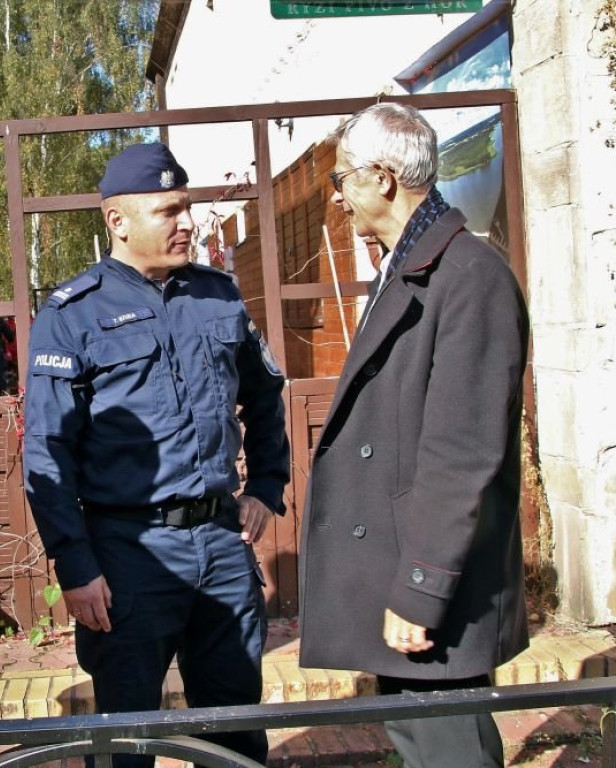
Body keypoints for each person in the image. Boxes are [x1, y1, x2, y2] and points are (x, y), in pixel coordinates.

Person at [23, 143, 290, 768]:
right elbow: (47, 449)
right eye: (168, 211)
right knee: (127, 736)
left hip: (222, 545)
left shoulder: (217, 296)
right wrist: (75, 566)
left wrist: (267, 484)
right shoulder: (72, 315)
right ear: (118, 221)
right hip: (128, 555)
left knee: (234, 725)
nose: (187, 222)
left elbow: (265, 394)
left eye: (187, 208)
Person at [298, 104, 529, 768]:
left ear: (382, 177)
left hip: (435, 585)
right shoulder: (414, 265)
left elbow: (461, 453)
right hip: (404, 569)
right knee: (423, 743)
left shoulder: (469, 277)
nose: (338, 195)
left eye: (342, 178)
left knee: (449, 751)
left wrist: (421, 588)